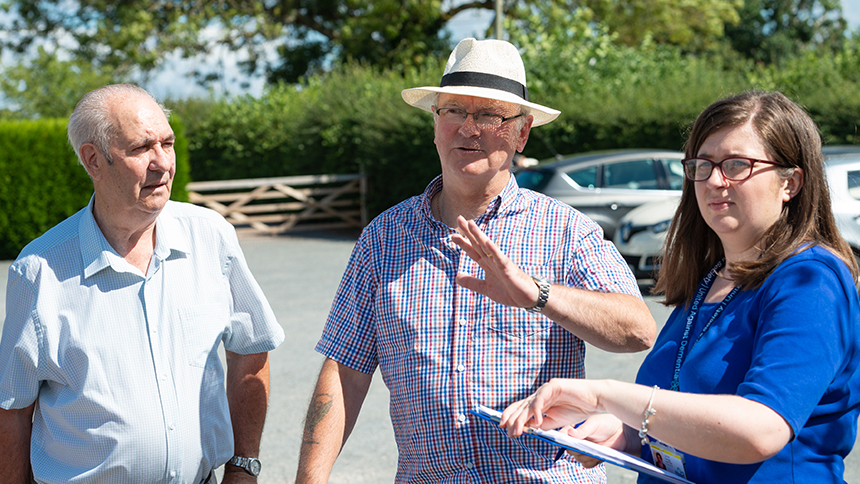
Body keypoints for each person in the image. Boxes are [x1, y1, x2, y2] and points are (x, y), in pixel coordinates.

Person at [295, 38, 656, 483]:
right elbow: (344, 370)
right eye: (453, 112)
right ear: (434, 124)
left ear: (522, 134)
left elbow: (638, 329)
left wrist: (538, 294)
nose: (467, 128)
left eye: (488, 115)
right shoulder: (383, 239)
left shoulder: (565, 231)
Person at [500, 91, 860, 483]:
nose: (715, 180)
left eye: (737, 165)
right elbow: (692, 420)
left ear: (790, 182)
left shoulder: (811, 280)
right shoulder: (709, 278)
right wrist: (627, 434)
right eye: (703, 165)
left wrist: (605, 395)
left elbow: (760, 430)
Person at [0, 84, 285, 484]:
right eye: (141, 148)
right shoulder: (40, 270)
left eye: (167, 144)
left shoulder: (210, 236)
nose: (162, 163)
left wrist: (243, 466)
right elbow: (12, 410)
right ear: (93, 159)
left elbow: (251, 350)